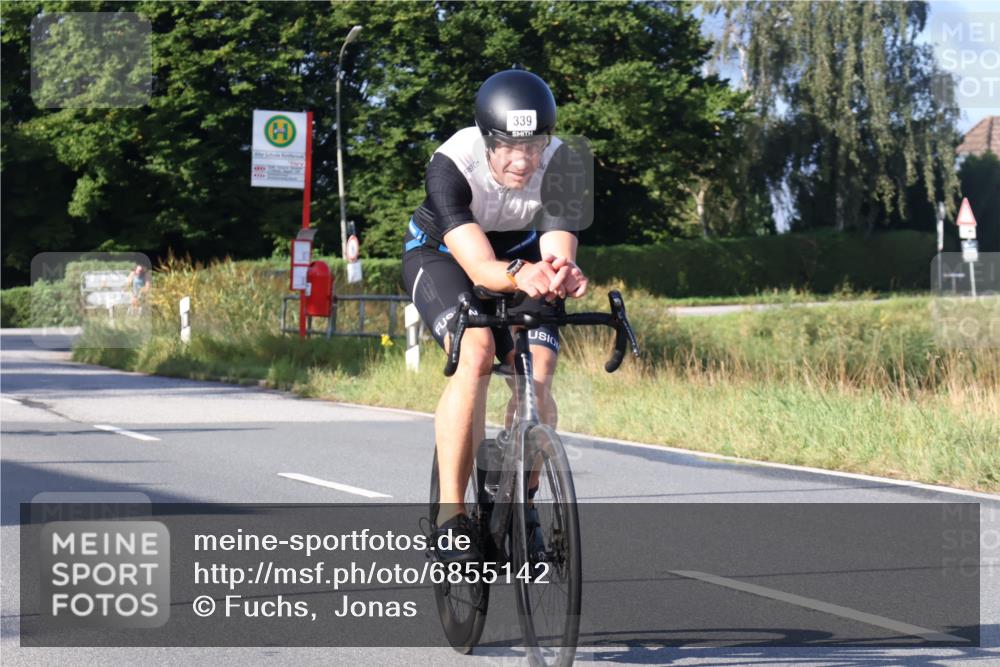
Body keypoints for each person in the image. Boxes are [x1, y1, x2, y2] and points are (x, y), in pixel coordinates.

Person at [401, 70, 590, 563]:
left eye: (534, 145)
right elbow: (483, 270)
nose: (522, 160)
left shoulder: (564, 161)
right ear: (487, 139)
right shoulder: (451, 164)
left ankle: (518, 498)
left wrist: (560, 272)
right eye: (508, 146)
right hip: (444, 256)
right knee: (478, 353)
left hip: (520, 258)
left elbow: (554, 246)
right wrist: (522, 273)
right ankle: (450, 516)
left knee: (538, 372)